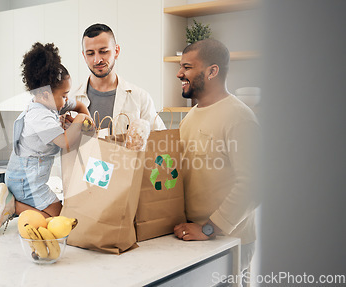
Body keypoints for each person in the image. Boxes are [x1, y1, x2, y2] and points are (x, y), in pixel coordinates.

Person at [0, 42, 92, 236]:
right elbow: (65, 142)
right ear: (44, 94)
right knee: (58, 219)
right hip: (27, 180)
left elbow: (80, 105)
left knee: (56, 218)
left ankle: (9, 203)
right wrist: (80, 121)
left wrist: (86, 117)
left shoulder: (50, 102)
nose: (67, 101)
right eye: (64, 95)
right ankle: (12, 206)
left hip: (28, 177)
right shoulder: (39, 116)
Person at [173, 39, 260, 275]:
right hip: (196, 236)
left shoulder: (240, 117)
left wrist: (209, 230)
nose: (179, 73)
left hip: (227, 241)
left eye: (187, 67)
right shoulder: (191, 116)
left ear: (212, 71)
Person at [71, 23, 165, 133]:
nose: (97, 59)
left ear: (116, 51)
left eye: (103, 51)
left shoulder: (140, 98)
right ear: (84, 56)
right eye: (90, 53)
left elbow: (160, 139)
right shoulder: (71, 98)